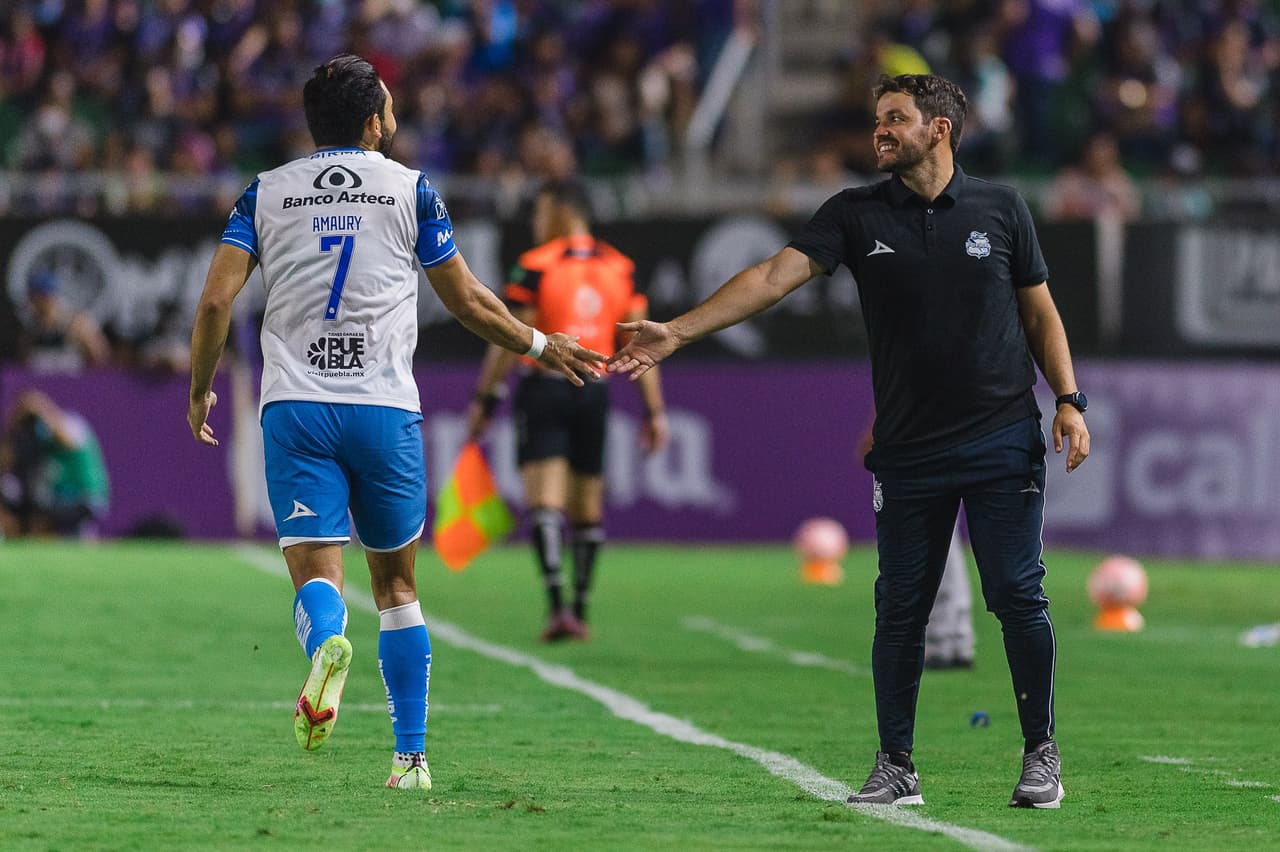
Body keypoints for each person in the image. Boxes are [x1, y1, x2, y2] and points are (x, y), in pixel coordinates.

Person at [608, 73, 1090, 809]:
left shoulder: (1001, 208)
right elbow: (772, 277)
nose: (880, 132)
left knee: (1017, 597)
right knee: (899, 609)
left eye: (895, 118)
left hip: (1001, 437)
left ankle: (1041, 755)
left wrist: (1070, 400)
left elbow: (1040, 314)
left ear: (939, 130)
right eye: (877, 120)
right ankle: (896, 766)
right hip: (908, 449)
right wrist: (677, 331)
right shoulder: (855, 213)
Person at [186, 54, 603, 792]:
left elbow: (217, 300)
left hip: (297, 408)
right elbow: (468, 301)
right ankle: (410, 760)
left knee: (318, 573)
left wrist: (200, 390)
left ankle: (328, 641)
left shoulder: (265, 191)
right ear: (374, 122)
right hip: (384, 409)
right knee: (398, 588)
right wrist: (542, 345)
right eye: (390, 102)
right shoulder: (413, 190)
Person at [465, 178, 667, 642]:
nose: (536, 222)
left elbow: (510, 338)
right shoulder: (621, 268)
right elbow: (639, 347)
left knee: (545, 501)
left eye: (540, 211)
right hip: (595, 391)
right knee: (587, 504)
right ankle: (581, 606)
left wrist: (486, 398)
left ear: (560, 211)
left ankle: (557, 606)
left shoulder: (535, 265)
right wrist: (655, 411)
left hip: (546, 389)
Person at [20, 271, 111, 373]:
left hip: (74, 381)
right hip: (42, 382)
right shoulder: (32, 332)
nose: (31, 303)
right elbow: (26, 366)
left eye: (34, 297)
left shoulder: (78, 324)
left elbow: (100, 360)